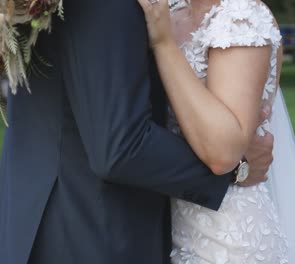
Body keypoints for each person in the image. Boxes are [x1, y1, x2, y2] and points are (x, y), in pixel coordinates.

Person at [0, 0, 274, 263]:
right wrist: (234, 170)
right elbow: (120, 147)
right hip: (87, 230)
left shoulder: (234, 17)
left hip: (35, 219)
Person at [138, 0, 295, 263]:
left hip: (226, 239)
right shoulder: (172, 13)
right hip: (170, 228)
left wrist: (164, 45)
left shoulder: (240, 17)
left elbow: (223, 153)